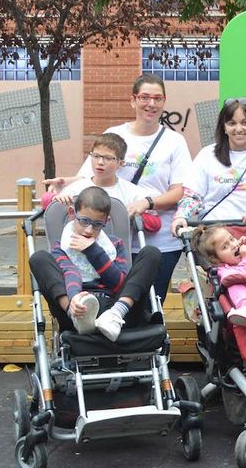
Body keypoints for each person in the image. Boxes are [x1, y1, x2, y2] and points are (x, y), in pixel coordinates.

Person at [46, 73, 192, 304]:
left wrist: (147, 203)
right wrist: (66, 184)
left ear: (164, 101)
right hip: (107, 236)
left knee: (150, 304)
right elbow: (90, 176)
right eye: (144, 97)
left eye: (157, 98)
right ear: (133, 100)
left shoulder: (174, 141)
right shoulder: (114, 134)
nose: (151, 104)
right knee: (110, 294)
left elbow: (180, 190)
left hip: (158, 239)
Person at [28, 186, 161, 342]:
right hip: (78, 307)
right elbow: (70, 272)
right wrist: (74, 300)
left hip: (116, 307)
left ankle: (116, 313)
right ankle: (73, 313)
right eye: (84, 221)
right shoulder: (61, 247)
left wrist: (93, 250)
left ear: (106, 222)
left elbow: (119, 285)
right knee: (39, 258)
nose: (89, 230)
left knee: (151, 253)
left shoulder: (115, 244)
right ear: (72, 214)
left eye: (97, 224)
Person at [171, 97, 246, 233]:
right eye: (232, 123)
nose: (239, 129)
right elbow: (192, 196)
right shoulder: (207, 155)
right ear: (224, 127)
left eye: (245, 123)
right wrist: (181, 216)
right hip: (212, 235)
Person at [48, 133, 160, 232]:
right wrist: (56, 200)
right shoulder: (75, 189)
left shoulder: (132, 192)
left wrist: (137, 216)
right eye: (96, 156)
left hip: (117, 248)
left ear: (120, 163)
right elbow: (49, 207)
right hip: (76, 247)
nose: (100, 162)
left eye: (108, 158)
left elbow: (155, 224)